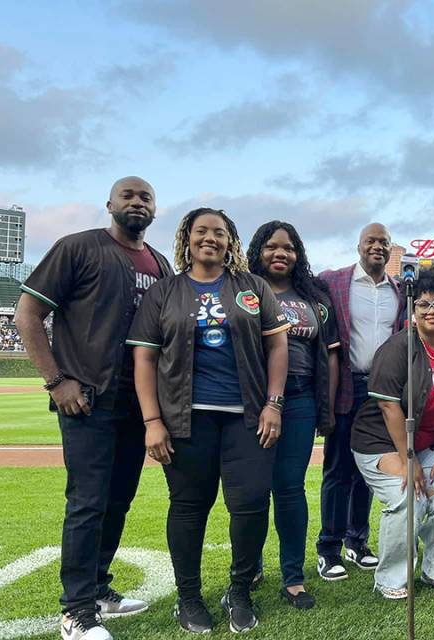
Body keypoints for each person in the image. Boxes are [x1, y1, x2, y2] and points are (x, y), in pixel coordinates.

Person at [15, 177, 171, 640]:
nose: (137, 202)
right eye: (129, 195)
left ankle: (100, 588)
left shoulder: (161, 263)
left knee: (117, 502)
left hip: (137, 402)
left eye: (146, 197)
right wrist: (56, 380)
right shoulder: (77, 247)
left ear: (155, 209)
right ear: (110, 204)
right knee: (86, 502)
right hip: (88, 400)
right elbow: (27, 313)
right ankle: (77, 611)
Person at [128, 208, 290, 633]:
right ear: (187, 237)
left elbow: (278, 348)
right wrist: (152, 421)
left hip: (248, 419)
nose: (210, 238)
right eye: (201, 231)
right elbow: (144, 358)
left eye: (219, 232)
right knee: (188, 507)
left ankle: (238, 591)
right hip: (186, 421)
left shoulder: (252, 287)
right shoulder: (165, 292)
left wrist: (273, 403)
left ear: (230, 241)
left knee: (252, 505)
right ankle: (188, 598)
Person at [351, 267, 434, 598]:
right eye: (423, 304)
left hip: (426, 444)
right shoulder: (398, 348)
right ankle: (392, 579)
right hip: (381, 442)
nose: (432, 310)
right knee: (409, 494)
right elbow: (388, 408)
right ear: (413, 309)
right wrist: (409, 459)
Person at [246, 221, 341, 609]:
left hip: (301, 398)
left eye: (288, 248)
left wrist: (327, 406)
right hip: (252, 400)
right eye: (271, 247)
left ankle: (293, 578)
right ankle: (249, 567)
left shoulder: (314, 297)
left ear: (298, 254)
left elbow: (331, 355)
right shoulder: (243, 288)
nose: (280, 253)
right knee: (250, 490)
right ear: (258, 251)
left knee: (289, 488)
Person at [316, 222, 404, 579]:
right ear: (358, 246)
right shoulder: (332, 281)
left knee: (368, 471)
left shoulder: (399, 290)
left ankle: (357, 542)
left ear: (390, 248)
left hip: (382, 393)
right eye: (371, 240)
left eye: (384, 242)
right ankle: (329, 548)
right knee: (337, 470)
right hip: (345, 385)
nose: (377, 247)